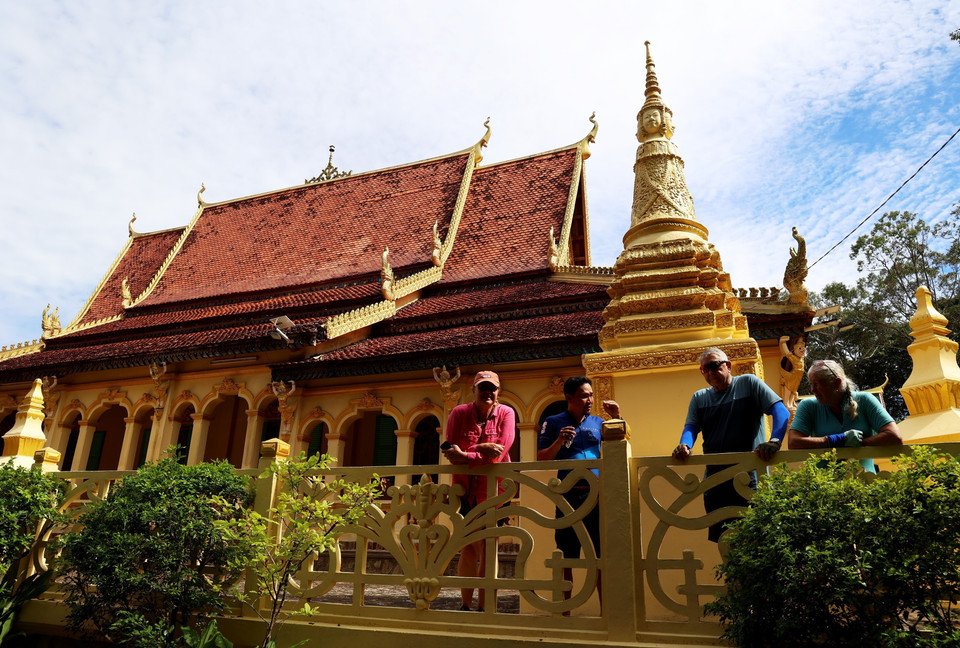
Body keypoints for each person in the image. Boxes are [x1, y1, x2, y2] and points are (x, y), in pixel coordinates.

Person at [672, 348, 791, 543]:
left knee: (760, 540)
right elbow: (691, 428)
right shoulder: (700, 398)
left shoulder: (748, 383)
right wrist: (684, 445)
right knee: (726, 543)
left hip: (750, 477)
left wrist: (775, 441)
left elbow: (780, 411)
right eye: (704, 369)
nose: (709, 372)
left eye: (714, 366)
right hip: (716, 480)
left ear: (728, 366)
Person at [537, 376, 620, 608]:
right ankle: (566, 613)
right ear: (569, 398)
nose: (590, 400)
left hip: (596, 496)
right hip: (568, 497)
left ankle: (607, 613)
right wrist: (558, 441)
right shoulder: (553, 422)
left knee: (601, 556)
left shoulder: (597, 422)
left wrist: (617, 418)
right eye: (584, 395)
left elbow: (619, 442)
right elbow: (541, 458)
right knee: (566, 557)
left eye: (591, 395)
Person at [442, 370, 515, 612]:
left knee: (488, 544)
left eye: (492, 388)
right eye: (482, 387)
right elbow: (451, 451)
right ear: (473, 390)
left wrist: (467, 453)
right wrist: (480, 448)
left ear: (498, 392)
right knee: (468, 545)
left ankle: (485, 604)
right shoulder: (459, 413)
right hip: (464, 488)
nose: (488, 392)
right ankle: (465, 603)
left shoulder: (506, 413)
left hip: (495, 490)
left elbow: (499, 454)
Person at [788, 359, 902, 473]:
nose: (812, 390)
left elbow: (894, 436)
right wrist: (839, 440)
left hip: (866, 481)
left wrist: (860, 442)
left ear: (837, 383)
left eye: (817, 384)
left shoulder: (865, 400)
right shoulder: (808, 406)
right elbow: (794, 442)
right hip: (824, 486)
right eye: (811, 384)